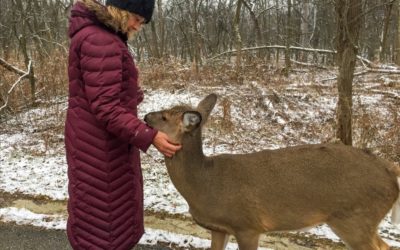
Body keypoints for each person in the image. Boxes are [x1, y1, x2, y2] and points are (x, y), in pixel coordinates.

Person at [65, 0, 181, 249]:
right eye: (137, 19)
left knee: (103, 217)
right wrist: (150, 136)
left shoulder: (100, 36)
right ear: (122, 10)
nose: (138, 26)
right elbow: (106, 109)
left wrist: (129, 94)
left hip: (96, 141)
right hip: (98, 147)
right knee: (103, 223)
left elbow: (97, 94)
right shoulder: (100, 40)